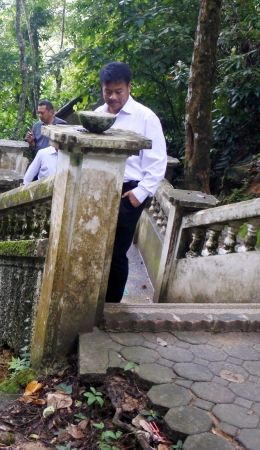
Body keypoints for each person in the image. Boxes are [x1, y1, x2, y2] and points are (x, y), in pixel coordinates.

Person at [95, 62, 167, 303]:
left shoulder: (145, 117)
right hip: (99, 190)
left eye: (118, 91)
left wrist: (140, 194)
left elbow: (158, 162)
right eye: (108, 91)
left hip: (129, 192)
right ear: (102, 89)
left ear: (129, 87)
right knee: (95, 246)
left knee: (116, 252)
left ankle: (112, 307)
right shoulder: (97, 116)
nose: (113, 97)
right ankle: (93, 300)